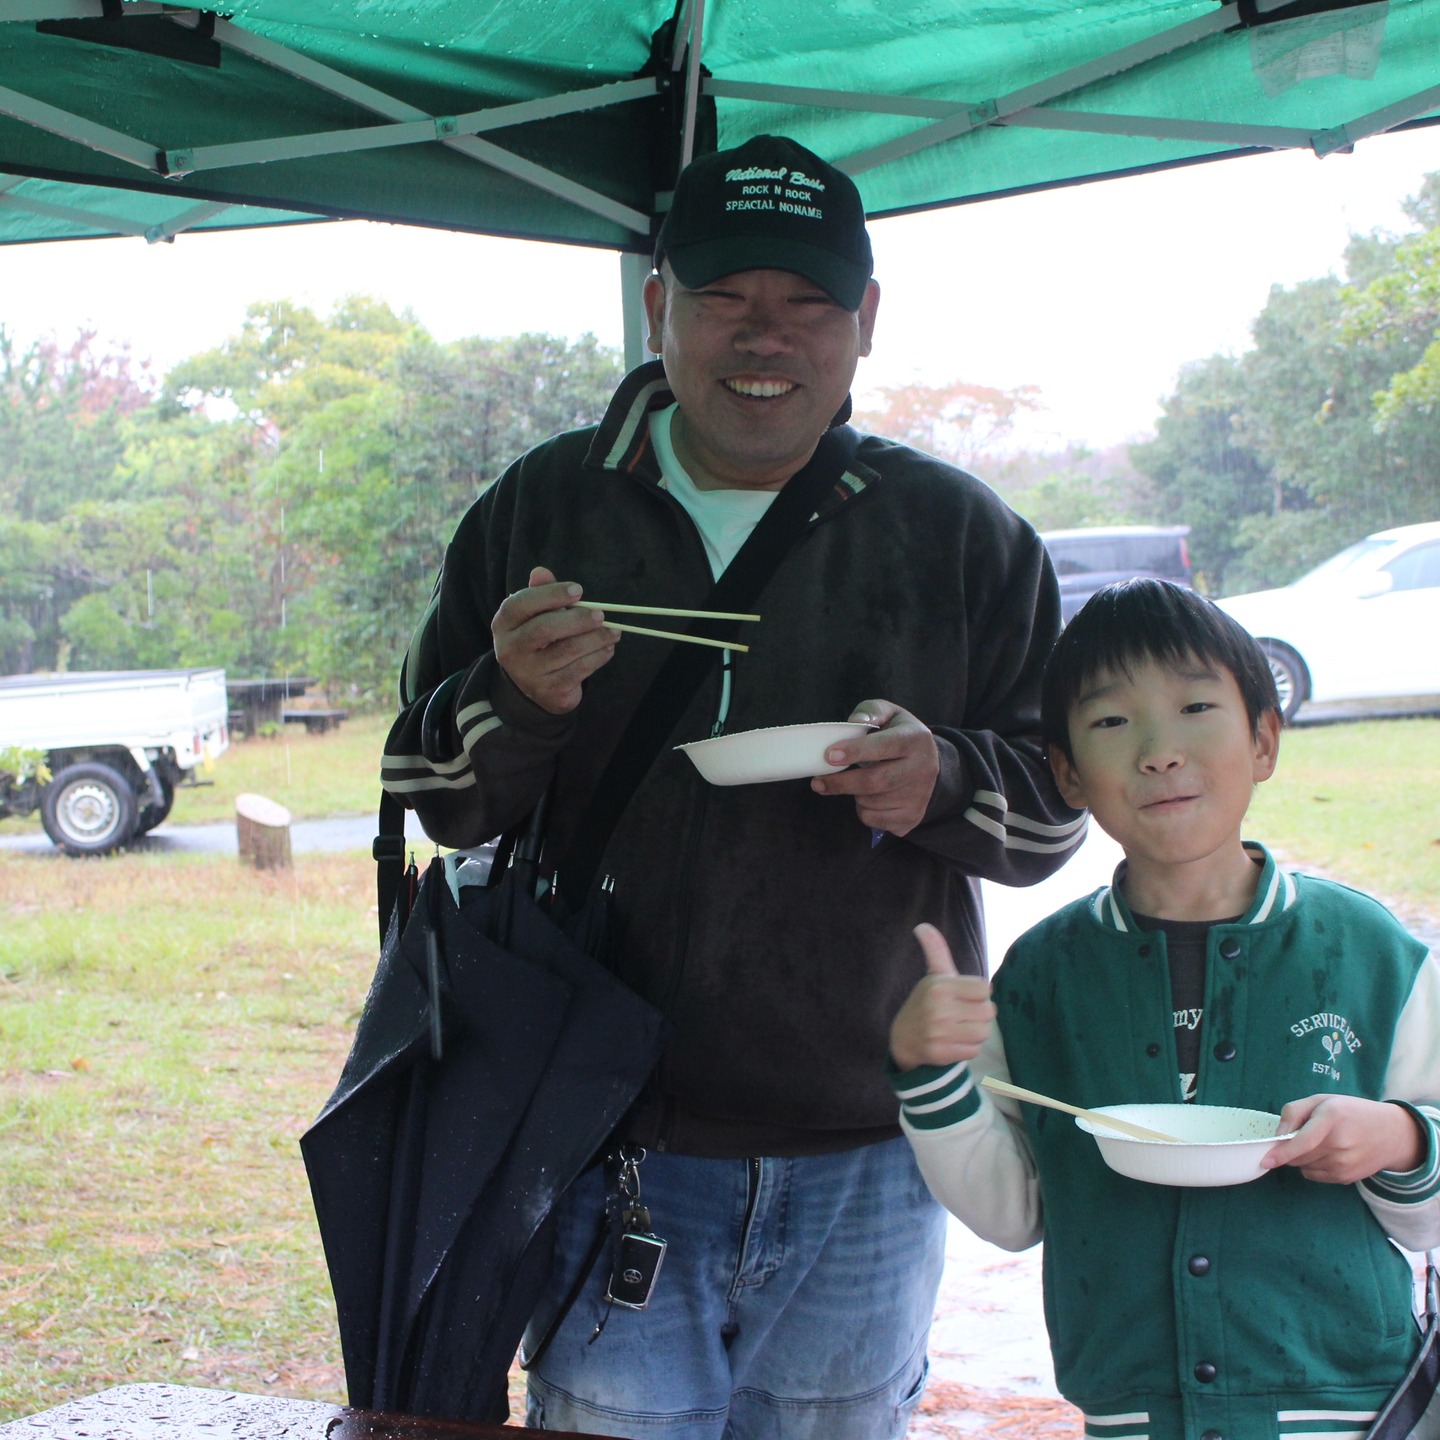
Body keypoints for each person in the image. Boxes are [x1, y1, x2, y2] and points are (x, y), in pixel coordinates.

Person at [381, 132, 1087, 1439]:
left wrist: (939, 778)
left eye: (809, 302)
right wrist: (516, 702)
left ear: (865, 322)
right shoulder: (545, 509)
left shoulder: (957, 535)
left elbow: (1052, 813)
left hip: (873, 1158)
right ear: (661, 308)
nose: (767, 336)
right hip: (605, 1147)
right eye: (725, 299)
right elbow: (432, 794)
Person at [889, 577, 1440, 1440]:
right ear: (1067, 771)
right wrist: (931, 1079)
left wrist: (1400, 1139)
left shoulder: (1370, 953)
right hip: (1134, 1418)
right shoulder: (1041, 976)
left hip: (1352, 1416)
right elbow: (1013, 1212)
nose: (1158, 751)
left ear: (1264, 739)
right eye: (1112, 722)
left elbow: (1429, 1210)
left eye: (1194, 708)